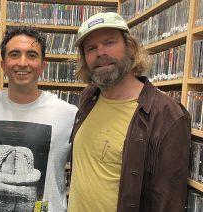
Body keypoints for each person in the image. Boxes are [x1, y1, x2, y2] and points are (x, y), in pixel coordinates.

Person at [67, 12, 191, 212]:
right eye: (91, 48)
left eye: (109, 42)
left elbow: (168, 201)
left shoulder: (167, 115)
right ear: (85, 58)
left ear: (131, 48)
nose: (100, 52)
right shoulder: (88, 99)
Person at [0, 26, 78, 212]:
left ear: (42, 66)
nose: (22, 63)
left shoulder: (69, 114)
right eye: (14, 54)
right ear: (3, 64)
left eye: (31, 55)